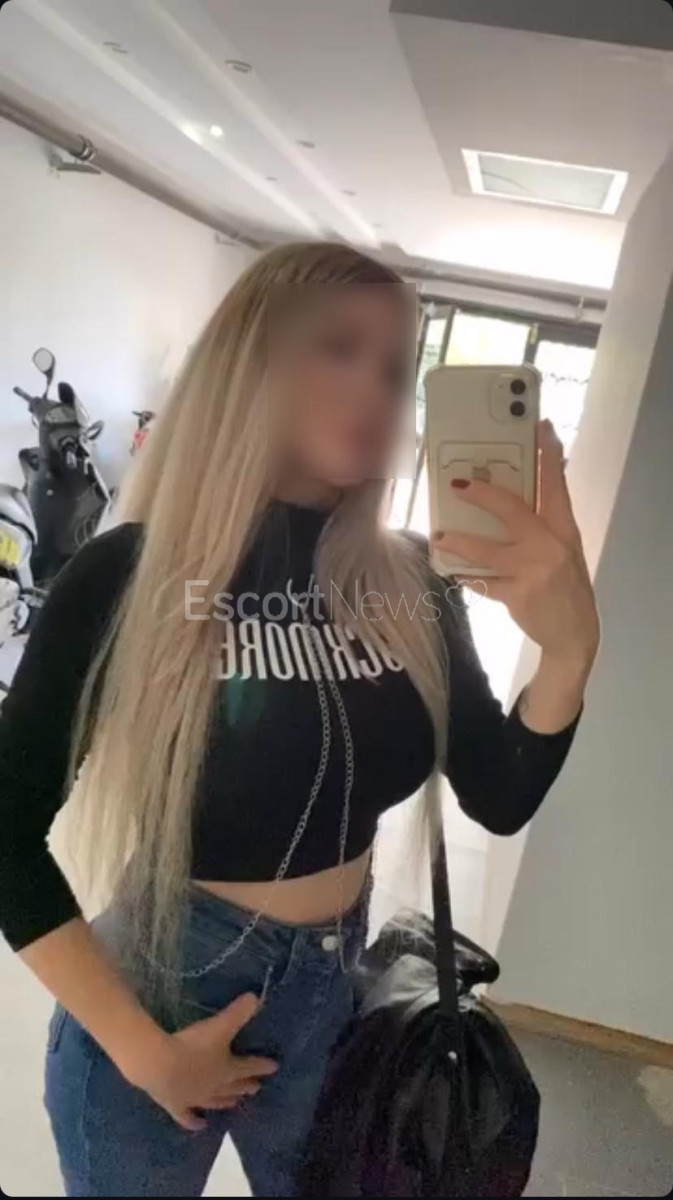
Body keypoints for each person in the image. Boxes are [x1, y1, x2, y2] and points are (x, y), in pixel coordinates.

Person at [0, 242, 599, 1198]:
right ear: (253, 361)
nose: (374, 389)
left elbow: (499, 794)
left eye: (396, 369)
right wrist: (145, 1053)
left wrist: (567, 653)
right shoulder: (129, 575)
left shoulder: (414, 584)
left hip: (333, 1003)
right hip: (163, 996)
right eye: (339, 348)